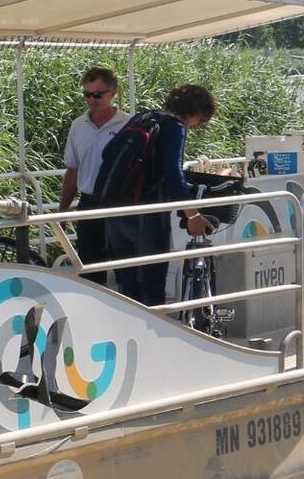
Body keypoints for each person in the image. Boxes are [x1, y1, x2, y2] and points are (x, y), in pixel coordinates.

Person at [100, 85, 218, 305]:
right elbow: (173, 172)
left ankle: (127, 334)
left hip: (117, 212)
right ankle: (151, 337)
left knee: (126, 287)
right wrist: (192, 215)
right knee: (152, 287)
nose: (195, 126)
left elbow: (107, 152)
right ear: (194, 112)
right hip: (148, 215)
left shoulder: (142, 118)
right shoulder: (174, 127)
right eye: (200, 121)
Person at [59, 66, 131, 284]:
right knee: (90, 272)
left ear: (113, 93)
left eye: (97, 95)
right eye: (87, 95)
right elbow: (72, 170)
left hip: (121, 205)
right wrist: (62, 212)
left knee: (126, 269)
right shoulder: (78, 126)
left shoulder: (130, 125)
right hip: (89, 205)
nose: (91, 100)